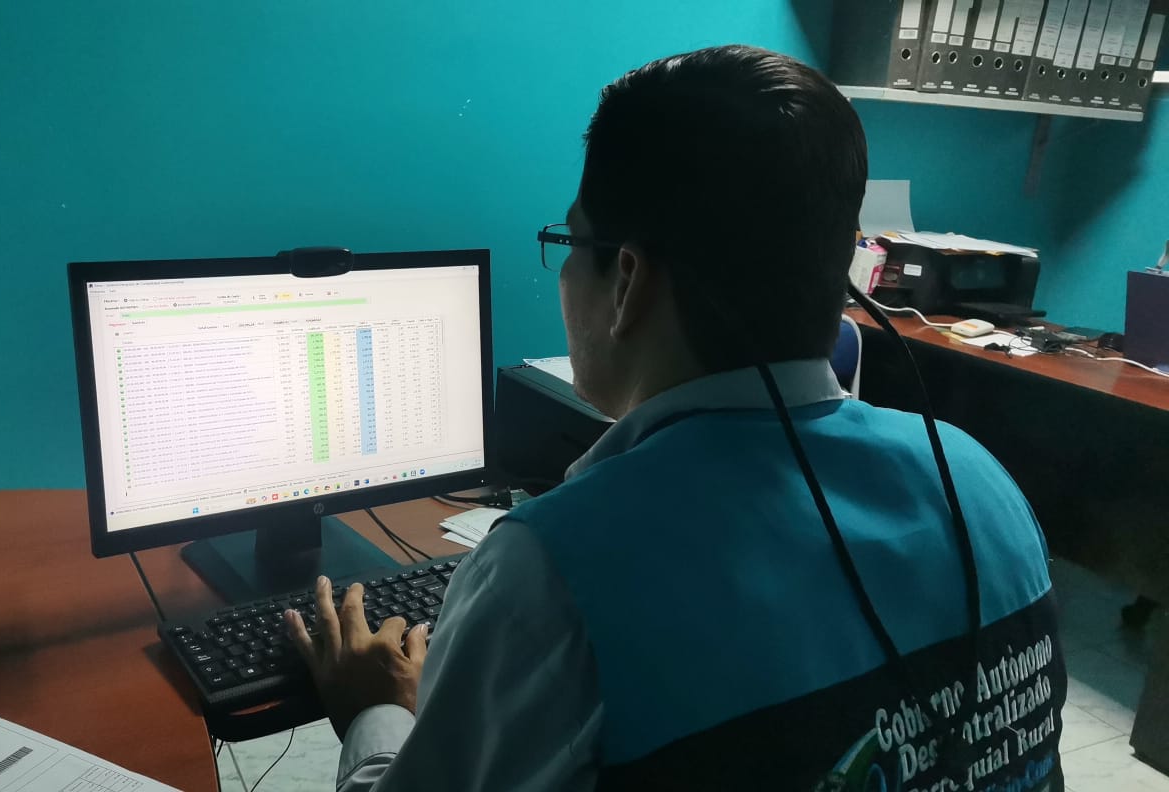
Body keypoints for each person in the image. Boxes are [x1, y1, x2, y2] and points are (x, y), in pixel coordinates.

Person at [285, 44, 1067, 791]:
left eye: (569, 240)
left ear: (627, 279)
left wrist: (378, 710)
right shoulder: (979, 479)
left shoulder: (554, 574)